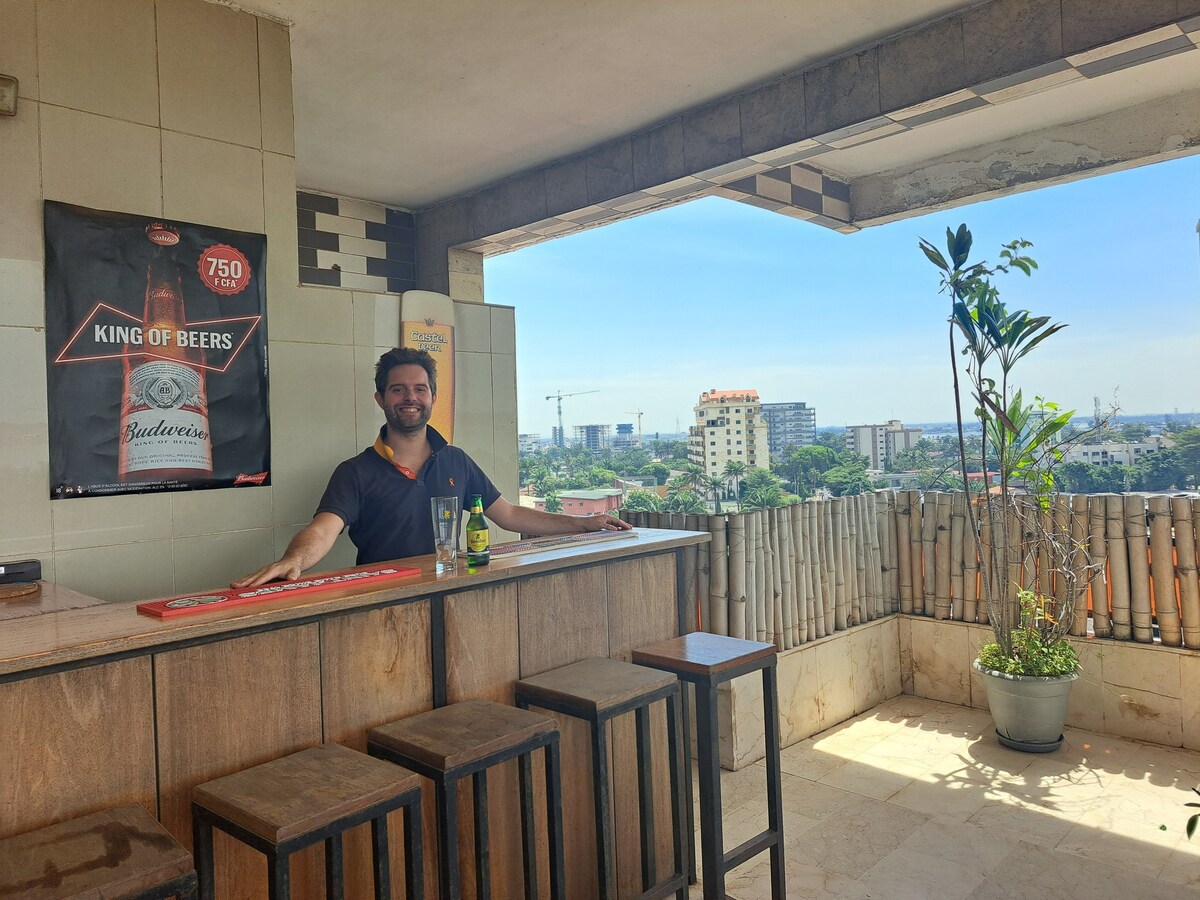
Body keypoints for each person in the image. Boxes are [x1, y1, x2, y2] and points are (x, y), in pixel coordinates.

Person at [234, 347, 630, 586]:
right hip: (381, 598)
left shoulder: (456, 459)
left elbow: (508, 515)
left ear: (432, 397)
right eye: (398, 389)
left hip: (449, 589)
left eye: (419, 389)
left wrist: (586, 523)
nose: (410, 397)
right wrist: (293, 561)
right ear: (381, 399)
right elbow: (323, 530)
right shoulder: (355, 471)